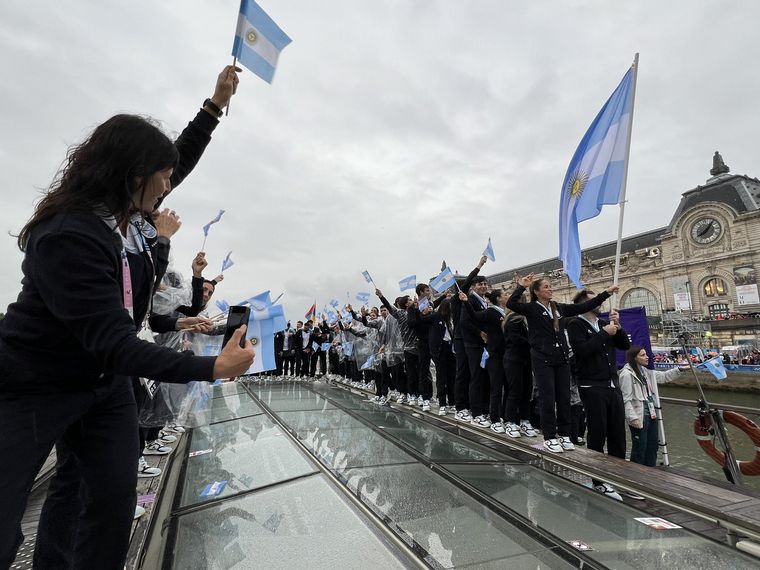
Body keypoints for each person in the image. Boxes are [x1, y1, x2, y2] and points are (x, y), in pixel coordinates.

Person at [0, 65, 254, 570]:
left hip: (105, 386)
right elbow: (114, 342)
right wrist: (212, 369)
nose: (168, 185)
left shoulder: (131, 218)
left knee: (110, 501)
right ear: (131, 175)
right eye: (160, 176)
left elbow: (176, 162)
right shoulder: (69, 234)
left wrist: (214, 105)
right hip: (36, 383)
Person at [507, 273, 618, 454]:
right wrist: (521, 286)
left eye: (550, 286)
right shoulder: (531, 309)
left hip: (561, 358)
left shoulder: (557, 307)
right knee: (547, 398)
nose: (550, 289)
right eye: (546, 287)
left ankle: (564, 434)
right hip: (543, 359)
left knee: (564, 397)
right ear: (536, 291)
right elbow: (511, 304)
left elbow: (584, 306)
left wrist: (605, 293)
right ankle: (550, 436)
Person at [567, 289, 630, 500]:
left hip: (612, 384)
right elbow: (582, 351)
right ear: (584, 303)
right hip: (591, 386)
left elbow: (625, 345)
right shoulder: (575, 324)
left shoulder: (605, 324)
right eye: (594, 299)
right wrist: (605, 334)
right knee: (597, 432)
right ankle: (598, 481)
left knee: (617, 434)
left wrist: (617, 327)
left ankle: (618, 477)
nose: (599, 303)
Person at [619, 346, 685, 466]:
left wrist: (680, 369)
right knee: (640, 446)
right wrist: (632, 418)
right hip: (640, 414)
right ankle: (636, 473)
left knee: (652, 445)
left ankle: (650, 470)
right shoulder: (627, 375)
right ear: (634, 358)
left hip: (651, 412)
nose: (647, 357)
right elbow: (625, 399)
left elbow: (664, 377)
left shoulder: (646, 371)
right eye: (643, 355)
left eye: (646, 354)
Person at [460, 288, 509, 433]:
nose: (508, 296)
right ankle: (491, 416)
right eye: (505, 295)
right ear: (499, 299)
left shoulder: (506, 312)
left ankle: (503, 416)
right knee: (494, 385)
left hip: (505, 353)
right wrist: (466, 302)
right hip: (493, 353)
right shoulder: (491, 312)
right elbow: (473, 317)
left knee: (504, 386)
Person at [450, 256, 488, 423]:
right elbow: (467, 283)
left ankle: (470, 406)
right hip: (461, 339)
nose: (483, 286)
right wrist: (478, 266)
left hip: (470, 340)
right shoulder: (458, 299)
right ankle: (461, 407)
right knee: (463, 373)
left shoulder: (481, 300)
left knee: (472, 374)